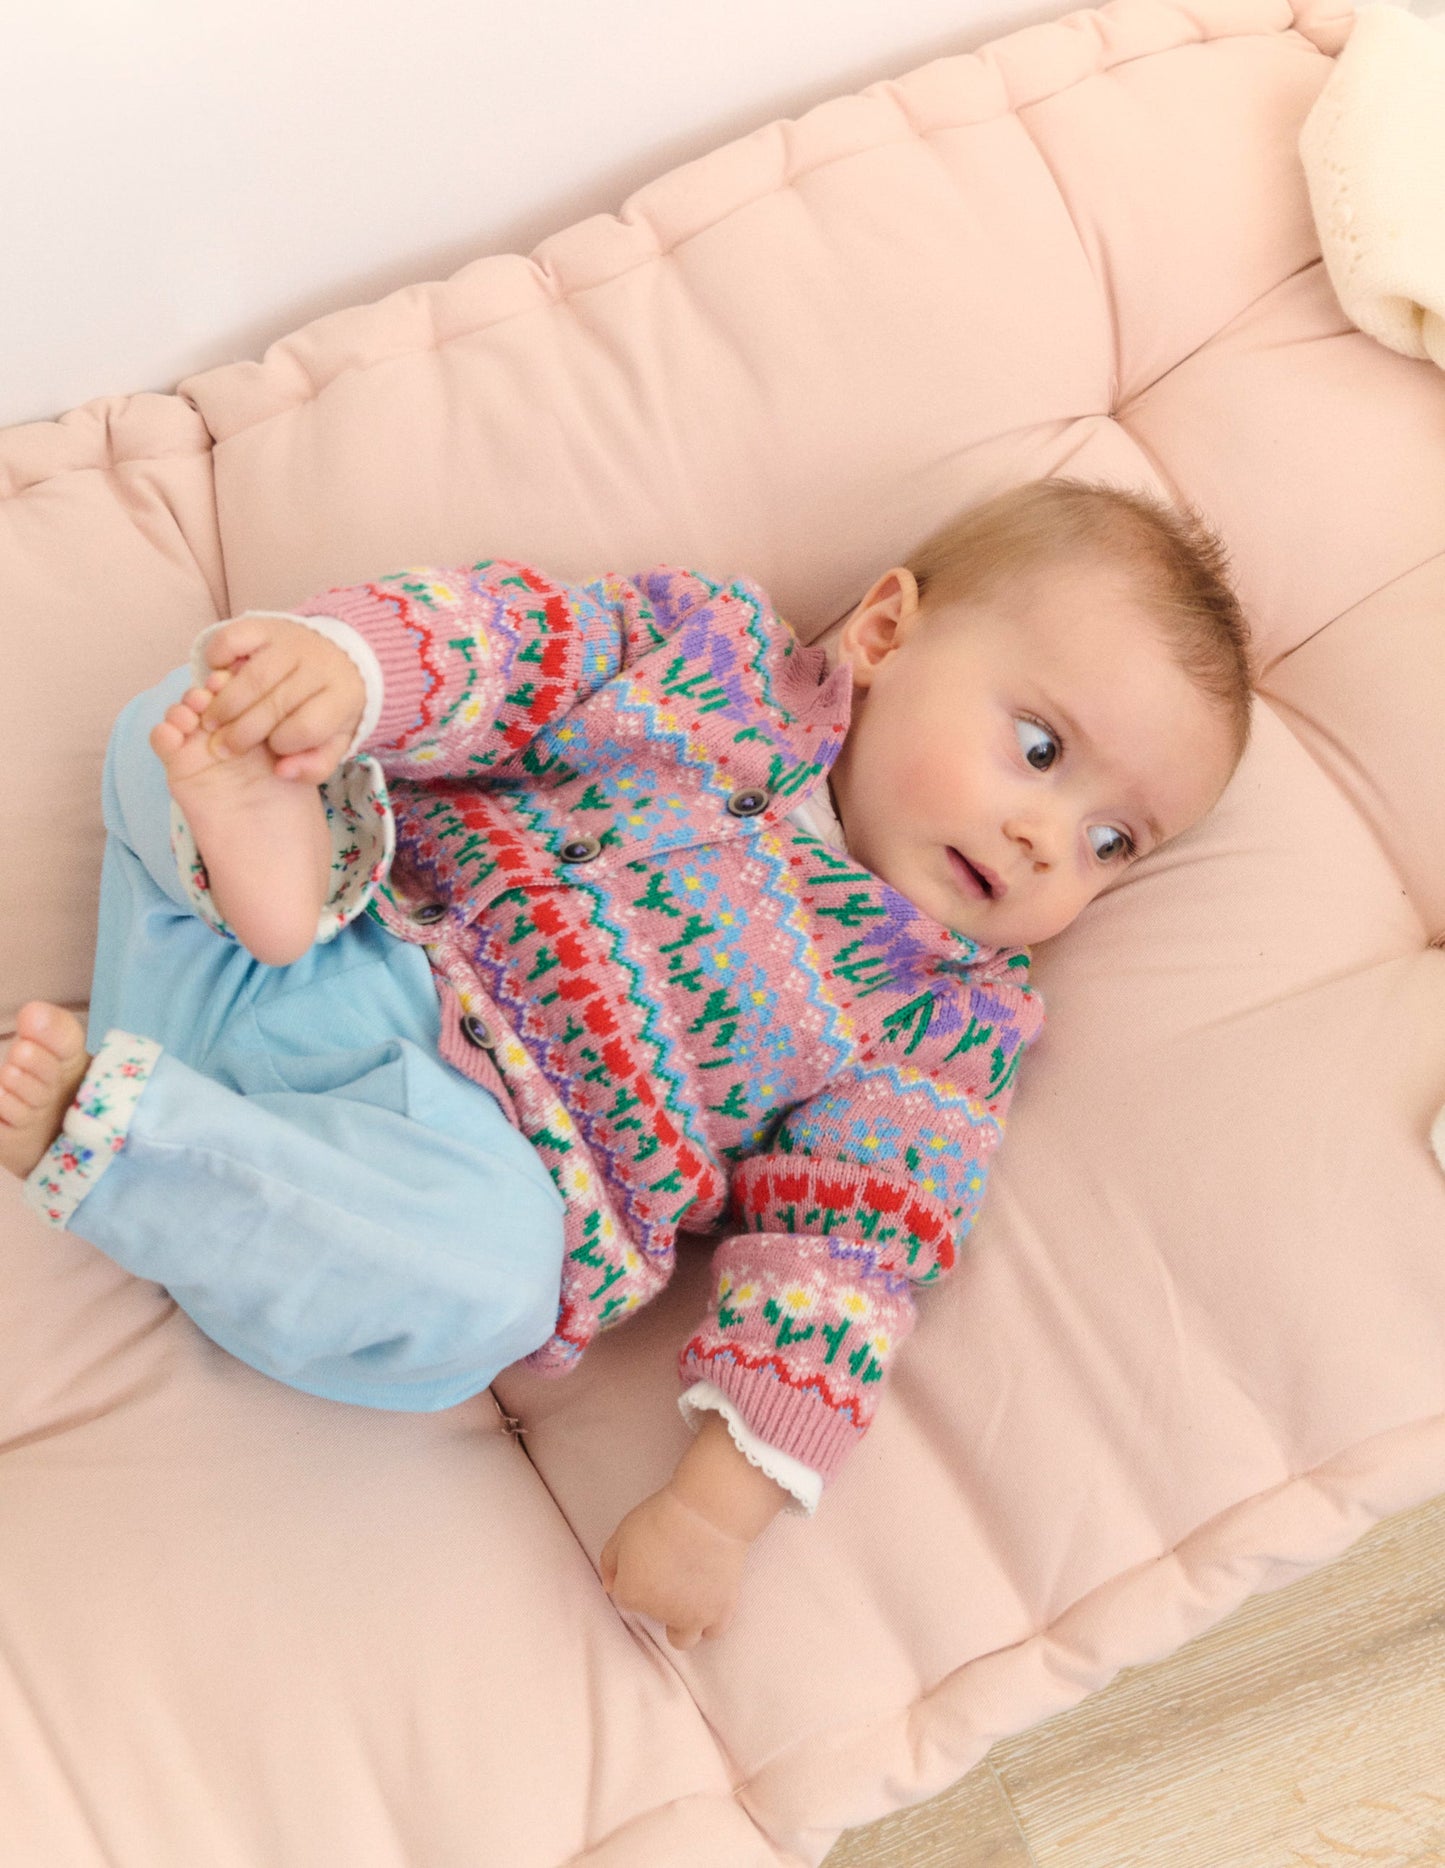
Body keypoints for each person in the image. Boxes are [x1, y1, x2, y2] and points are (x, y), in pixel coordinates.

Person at [0, 478, 1250, 1649]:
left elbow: (846, 1259)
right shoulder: (710, 654)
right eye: (1038, 750)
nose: (1046, 843)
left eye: (1110, 840)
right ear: (880, 634)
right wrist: (340, 674)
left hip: (439, 1157)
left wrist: (716, 1511)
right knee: (195, 700)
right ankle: (261, 859)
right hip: (322, 928)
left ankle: (124, 1142)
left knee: (486, 1286)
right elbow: (506, 647)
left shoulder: (940, 1019)